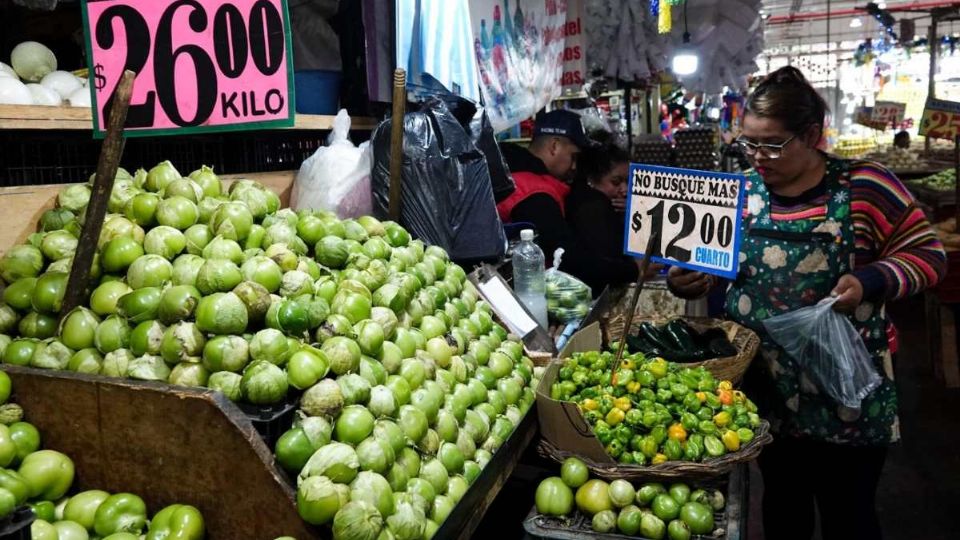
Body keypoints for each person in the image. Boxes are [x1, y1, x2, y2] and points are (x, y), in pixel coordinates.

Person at [667, 67, 946, 540]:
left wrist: (871, 279)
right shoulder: (738, 195)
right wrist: (687, 280)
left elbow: (929, 255)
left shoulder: (864, 186)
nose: (758, 156)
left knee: (849, 514)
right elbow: (702, 270)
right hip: (766, 387)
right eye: (749, 143)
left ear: (813, 135)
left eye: (773, 144)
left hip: (846, 385)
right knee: (783, 507)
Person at [498, 111, 643, 295]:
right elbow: (571, 260)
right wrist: (632, 270)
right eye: (574, 157)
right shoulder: (534, 192)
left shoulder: (517, 175)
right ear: (554, 146)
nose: (575, 167)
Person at [565, 142, 643, 295]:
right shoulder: (592, 207)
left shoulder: (601, 203)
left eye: (629, 182)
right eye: (616, 182)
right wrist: (634, 269)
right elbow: (601, 266)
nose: (625, 190)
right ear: (592, 180)